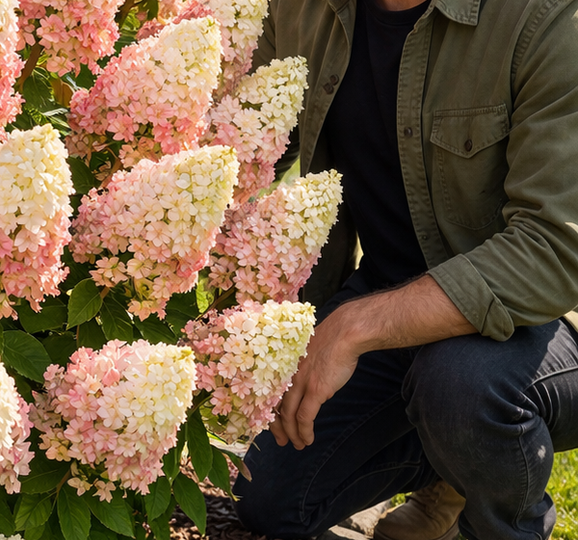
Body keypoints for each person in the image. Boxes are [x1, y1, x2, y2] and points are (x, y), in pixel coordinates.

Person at [231, 0, 578, 538]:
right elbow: (244, 145)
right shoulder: (299, 8)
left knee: (461, 384)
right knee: (268, 496)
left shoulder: (546, 17)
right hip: (395, 304)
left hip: (541, 327)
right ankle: (450, 464)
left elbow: (554, 250)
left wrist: (351, 327)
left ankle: (500, 519)